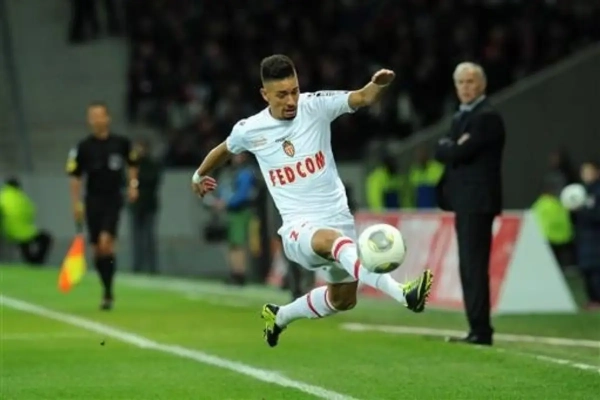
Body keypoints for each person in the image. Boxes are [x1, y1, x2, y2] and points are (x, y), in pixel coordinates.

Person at [191, 54, 433, 347]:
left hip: (338, 218)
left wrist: (377, 85)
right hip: (298, 229)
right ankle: (403, 293)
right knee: (332, 241)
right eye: (282, 94)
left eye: (294, 91)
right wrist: (199, 175)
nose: (291, 100)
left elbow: (362, 98)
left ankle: (279, 316)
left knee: (342, 300)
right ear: (265, 95)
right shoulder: (250, 129)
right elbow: (224, 149)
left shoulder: (316, 105)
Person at [435, 62, 506, 346]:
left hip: (477, 202)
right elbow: (446, 149)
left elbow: (456, 152)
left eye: (471, 81)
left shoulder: (486, 118)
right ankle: (476, 327)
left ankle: (480, 330)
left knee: (474, 265)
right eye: (461, 82)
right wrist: (451, 147)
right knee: (469, 265)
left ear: (482, 85)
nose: (465, 87)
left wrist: (451, 147)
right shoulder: (462, 117)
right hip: (466, 202)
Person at [66, 102, 139, 310]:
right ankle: (106, 288)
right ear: (89, 120)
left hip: (113, 198)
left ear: (108, 118)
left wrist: (133, 186)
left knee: (106, 242)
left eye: (100, 115)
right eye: (93, 116)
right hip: (93, 200)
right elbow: (75, 176)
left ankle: (108, 293)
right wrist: (76, 203)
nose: (97, 119)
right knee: (97, 250)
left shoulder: (121, 143)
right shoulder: (83, 147)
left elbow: (132, 164)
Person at [0, 178, 53, 265]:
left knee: (24, 242)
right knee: (46, 238)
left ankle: (32, 262)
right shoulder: (23, 197)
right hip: (26, 231)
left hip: (7, 232)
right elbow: (32, 212)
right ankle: (36, 261)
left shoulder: (2, 196)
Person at [128, 139, 161, 275]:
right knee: (136, 238)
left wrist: (135, 181)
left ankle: (152, 268)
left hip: (148, 205)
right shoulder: (132, 166)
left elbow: (152, 180)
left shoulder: (151, 165)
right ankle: (137, 267)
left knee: (148, 238)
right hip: (135, 206)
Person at [573, 160, 600, 310]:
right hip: (583, 237)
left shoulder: (597, 192)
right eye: (584, 172)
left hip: (596, 237)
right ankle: (591, 299)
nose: (586, 175)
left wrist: (583, 211)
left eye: (589, 171)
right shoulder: (580, 191)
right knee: (586, 269)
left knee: (596, 269)